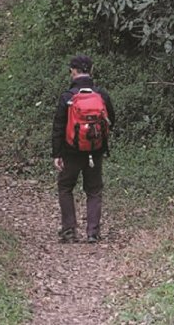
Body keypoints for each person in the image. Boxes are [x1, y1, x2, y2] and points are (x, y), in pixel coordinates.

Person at [52, 54, 115, 243]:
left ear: (73, 71)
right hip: (95, 151)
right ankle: (93, 233)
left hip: (71, 150)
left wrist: (57, 153)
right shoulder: (101, 95)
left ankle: (69, 231)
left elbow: (59, 127)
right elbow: (111, 120)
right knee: (94, 190)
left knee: (65, 186)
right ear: (91, 71)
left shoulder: (68, 97)